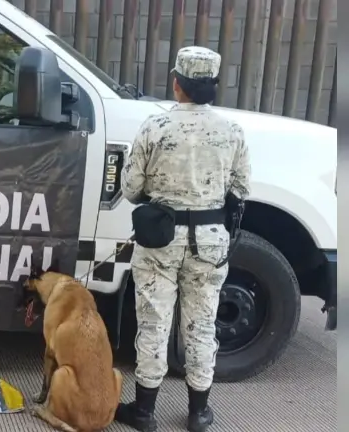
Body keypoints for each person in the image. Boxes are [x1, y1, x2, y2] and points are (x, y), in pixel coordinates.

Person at [115, 46, 251, 432]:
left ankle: (144, 412)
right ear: (212, 87)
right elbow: (241, 189)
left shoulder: (154, 127)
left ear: (177, 84)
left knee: (154, 322)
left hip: (160, 236)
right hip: (209, 240)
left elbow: (131, 187)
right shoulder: (232, 132)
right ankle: (199, 414)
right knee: (203, 323)